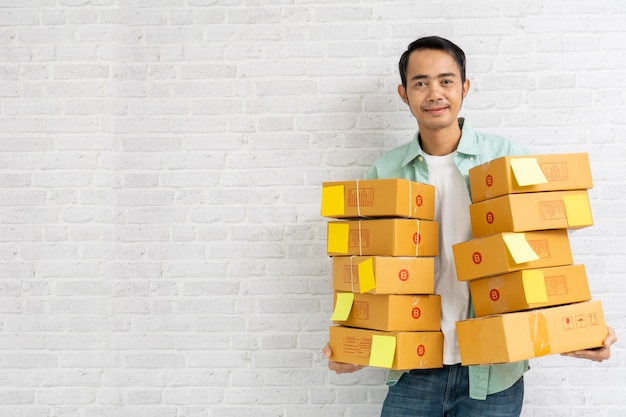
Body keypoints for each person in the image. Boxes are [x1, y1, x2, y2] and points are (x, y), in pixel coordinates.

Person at [322, 35, 617, 417]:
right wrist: (350, 341)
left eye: (446, 80)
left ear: (465, 87)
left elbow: (547, 253)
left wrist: (582, 328)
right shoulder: (386, 173)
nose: (434, 93)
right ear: (403, 93)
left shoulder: (507, 159)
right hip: (414, 368)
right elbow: (363, 269)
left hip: (494, 371)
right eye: (420, 82)